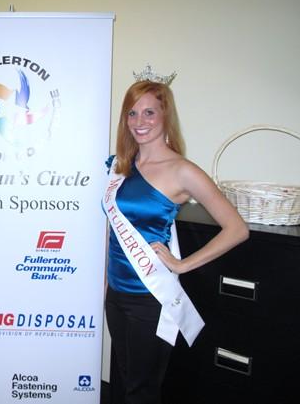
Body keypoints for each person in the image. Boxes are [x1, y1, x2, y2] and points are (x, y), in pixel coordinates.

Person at [102, 73, 249, 404]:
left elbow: (237, 229)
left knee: (142, 390)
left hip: (150, 297)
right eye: (132, 113)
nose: (139, 121)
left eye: (149, 112)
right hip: (116, 293)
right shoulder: (121, 166)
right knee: (125, 381)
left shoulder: (182, 170)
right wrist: (105, 283)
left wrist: (182, 265)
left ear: (165, 116)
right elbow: (112, 228)